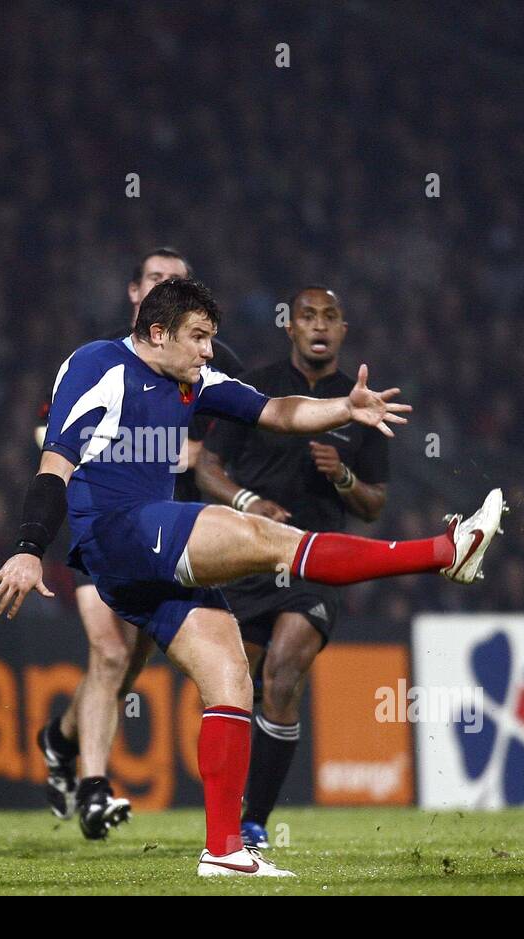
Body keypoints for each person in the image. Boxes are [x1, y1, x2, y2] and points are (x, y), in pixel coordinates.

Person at [0, 278, 504, 877]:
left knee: (230, 678)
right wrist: (28, 548)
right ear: (158, 333)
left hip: (147, 562)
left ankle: (224, 851)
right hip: (118, 532)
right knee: (263, 537)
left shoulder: (192, 381)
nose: (208, 351)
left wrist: (345, 409)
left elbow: (273, 411)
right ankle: (444, 550)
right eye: (198, 338)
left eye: (212, 338)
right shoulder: (98, 366)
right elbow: (53, 469)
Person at [35, 247, 249, 839]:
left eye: (177, 280)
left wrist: (223, 484)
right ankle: (95, 789)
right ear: (138, 296)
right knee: (108, 653)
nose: (167, 286)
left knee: (129, 660)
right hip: (100, 522)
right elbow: (49, 439)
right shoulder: (98, 361)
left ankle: (59, 739)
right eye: (157, 279)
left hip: (165, 529)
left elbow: (207, 449)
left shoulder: (202, 360)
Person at [195, 285, 389, 849]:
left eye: (330, 316)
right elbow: (208, 466)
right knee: (235, 683)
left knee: (283, 672)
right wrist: (248, 503)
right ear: (291, 327)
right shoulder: (254, 388)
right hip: (249, 556)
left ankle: (255, 818)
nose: (319, 325)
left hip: (317, 560)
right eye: (308, 315)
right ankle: (227, 816)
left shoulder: (360, 401)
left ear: (343, 329)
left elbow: (375, 504)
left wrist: (345, 478)